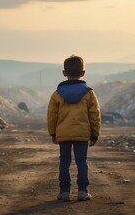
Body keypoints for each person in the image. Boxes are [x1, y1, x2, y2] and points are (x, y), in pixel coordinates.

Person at [47, 55, 101, 202]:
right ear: (83, 73)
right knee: (81, 161)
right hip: (82, 134)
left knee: (64, 161)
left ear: (64, 73)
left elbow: (52, 115)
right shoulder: (89, 93)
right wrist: (95, 134)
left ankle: (64, 192)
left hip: (63, 134)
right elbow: (95, 114)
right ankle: (83, 191)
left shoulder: (57, 94)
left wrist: (53, 133)